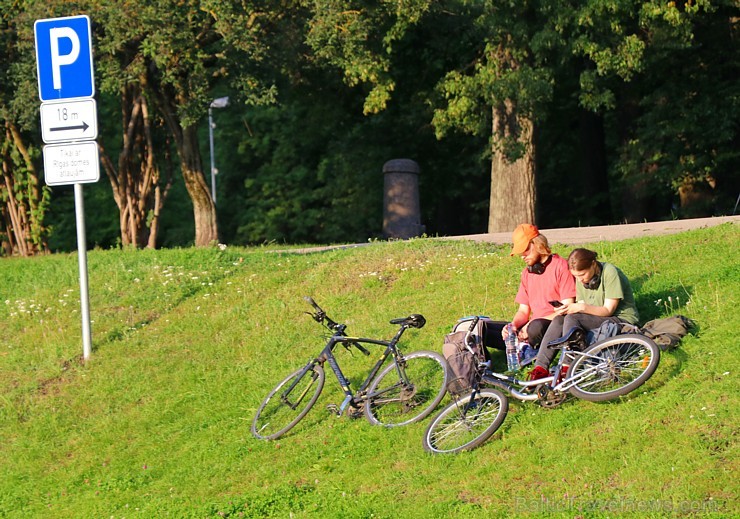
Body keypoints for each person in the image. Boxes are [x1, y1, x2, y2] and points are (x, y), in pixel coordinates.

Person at [528, 247, 641, 380]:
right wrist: (568, 308)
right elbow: (581, 310)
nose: (580, 280)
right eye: (576, 276)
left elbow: (608, 310)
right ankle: (540, 368)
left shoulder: (610, 272)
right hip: (597, 319)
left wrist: (580, 307)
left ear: (593, 264)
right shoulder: (581, 279)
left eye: (582, 275)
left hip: (620, 319)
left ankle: (568, 366)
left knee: (573, 317)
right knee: (560, 319)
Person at [502, 224, 576, 361]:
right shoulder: (526, 273)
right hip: (530, 327)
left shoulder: (561, 266)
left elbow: (567, 308)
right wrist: (513, 326)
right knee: (489, 329)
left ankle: (529, 349)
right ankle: (521, 345)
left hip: (552, 324)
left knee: (535, 327)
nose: (522, 256)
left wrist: (530, 325)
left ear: (537, 244)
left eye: (525, 251)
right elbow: (523, 311)